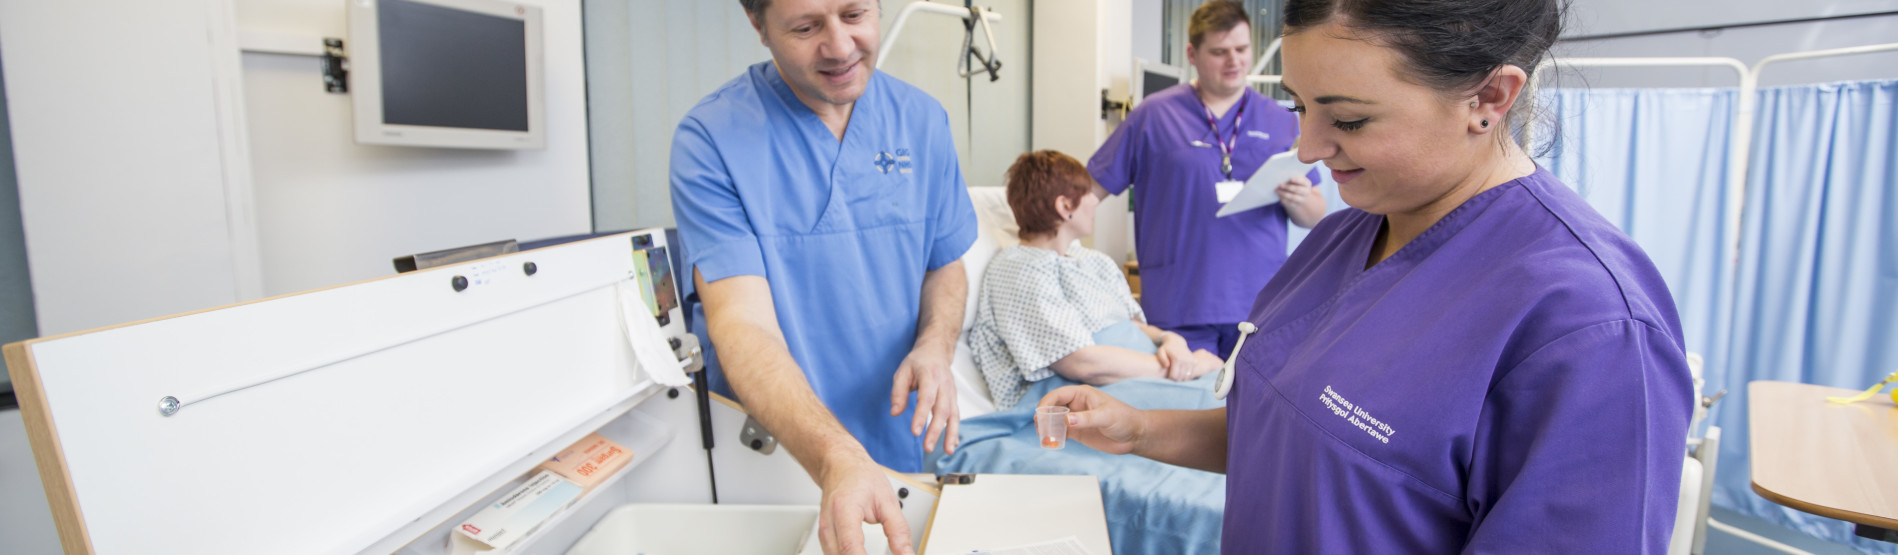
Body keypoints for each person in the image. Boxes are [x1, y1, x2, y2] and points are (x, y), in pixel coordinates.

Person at [1038, 0, 1695, 551]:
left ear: (1489, 97)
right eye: (1298, 106)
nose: (1309, 148)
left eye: (1349, 118)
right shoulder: (1342, 237)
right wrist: (1143, 428)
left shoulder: (1589, 327)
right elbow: (1286, 434)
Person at [668, 1, 976, 553]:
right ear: (758, 25)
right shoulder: (712, 140)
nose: (839, 47)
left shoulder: (922, 121)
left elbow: (943, 263)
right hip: (772, 455)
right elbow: (741, 324)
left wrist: (935, 346)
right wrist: (836, 455)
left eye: (855, 14)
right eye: (806, 28)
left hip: (894, 440)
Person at [1088, 0, 1326, 359]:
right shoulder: (1154, 115)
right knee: (1183, 408)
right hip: (1179, 304)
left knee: (1246, 410)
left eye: (1242, 49)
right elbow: (1089, 192)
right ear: (1192, 54)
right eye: (1219, 51)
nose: (1234, 61)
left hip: (1256, 304)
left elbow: (1316, 215)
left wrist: (1299, 198)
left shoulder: (1279, 120)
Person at [967, 151, 1227, 409]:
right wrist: (1188, 368)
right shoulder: (1019, 270)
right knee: (1220, 407)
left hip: (1138, 375)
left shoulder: (1092, 260)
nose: (1094, 201)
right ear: (1065, 205)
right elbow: (1081, 363)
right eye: (1087, 192)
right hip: (1082, 390)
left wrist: (1172, 341)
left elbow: (1134, 326)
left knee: (1234, 393)